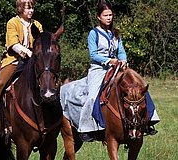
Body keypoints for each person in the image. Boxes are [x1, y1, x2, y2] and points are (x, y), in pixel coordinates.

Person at [60, 1, 159, 142]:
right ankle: (87, 129)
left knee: (140, 89)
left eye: (110, 15)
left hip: (117, 69)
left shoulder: (115, 33)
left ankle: (149, 121)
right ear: (99, 17)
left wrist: (123, 60)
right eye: (105, 15)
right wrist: (109, 60)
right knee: (93, 97)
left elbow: (122, 51)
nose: (109, 18)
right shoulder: (93, 34)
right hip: (99, 69)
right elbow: (93, 55)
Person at [0, 0, 43, 123]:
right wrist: (29, 53)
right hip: (14, 60)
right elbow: (13, 44)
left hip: (32, 61)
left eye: (32, 8)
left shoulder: (37, 24)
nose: (31, 11)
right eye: (28, 8)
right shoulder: (12, 22)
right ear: (20, 9)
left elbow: (41, 42)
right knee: (0, 82)